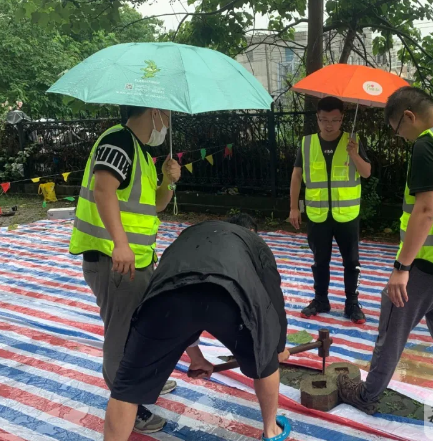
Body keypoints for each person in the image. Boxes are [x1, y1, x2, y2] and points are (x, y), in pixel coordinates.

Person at [336, 87, 433, 439]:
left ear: (409, 116)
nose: (401, 138)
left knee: (391, 331)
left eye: (398, 130)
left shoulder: (430, 143)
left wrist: (401, 268)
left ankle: (367, 395)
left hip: (427, 263)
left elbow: (425, 210)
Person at [102, 214, 291, 441]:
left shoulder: (190, 234)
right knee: (265, 363)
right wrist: (277, 347)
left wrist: (197, 357)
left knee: (127, 388)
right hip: (228, 299)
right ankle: (271, 431)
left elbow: (183, 292)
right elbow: (273, 296)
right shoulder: (255, 242)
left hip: (165, 301)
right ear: (251, 232)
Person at [69, 106, 182, 433]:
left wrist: (168, 181)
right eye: (168, 115)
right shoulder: (119, 141)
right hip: (113, 260)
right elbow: (103, 189)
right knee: (122, 337)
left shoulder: (142, 154)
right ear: (155, 111)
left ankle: (144, 381)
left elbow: (156, 204)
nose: (169, 123)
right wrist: (120, 243)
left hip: (138, 259)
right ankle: (128, 404)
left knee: (143, 325)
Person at [289, 96, 372, 324]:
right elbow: (297, 175)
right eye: (324, 119)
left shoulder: (352, 141)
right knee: (320, 260)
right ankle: (320, 299)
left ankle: (352, 304)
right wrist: (293, 207)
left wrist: (354, 154)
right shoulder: (307, 144)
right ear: (317, 118)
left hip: (347, 215)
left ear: (342, 119)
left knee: (351, 262)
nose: (329, 125)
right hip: (317, 215)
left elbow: (366, 173)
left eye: (334, 120)